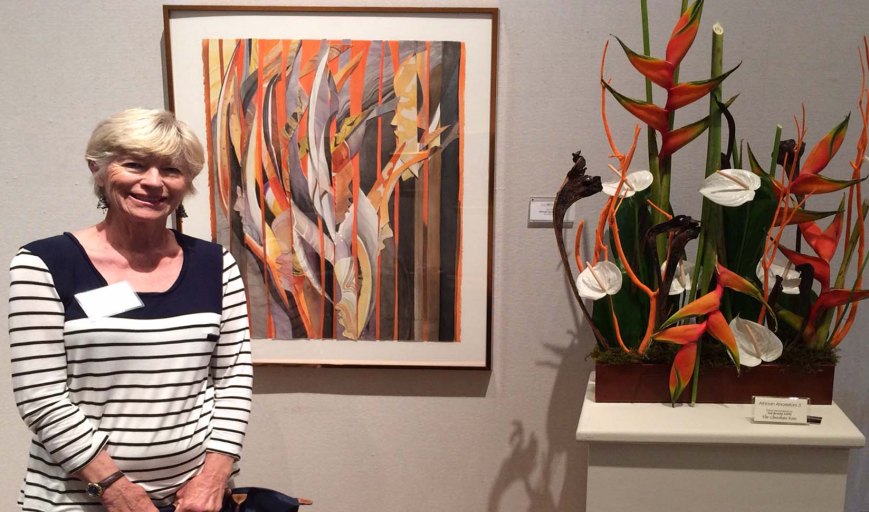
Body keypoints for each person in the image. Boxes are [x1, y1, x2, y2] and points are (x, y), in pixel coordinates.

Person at [8, 108, 253, 511]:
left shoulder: (215, 264)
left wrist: (214, 476)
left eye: (171, 170)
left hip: (192, 501)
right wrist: (116, 490)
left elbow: (233, 379)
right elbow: (41, 396)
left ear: (187, 182)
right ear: (98, 169)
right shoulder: (45, 263)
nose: (154, 182)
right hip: (79, 501)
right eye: (135, 165)